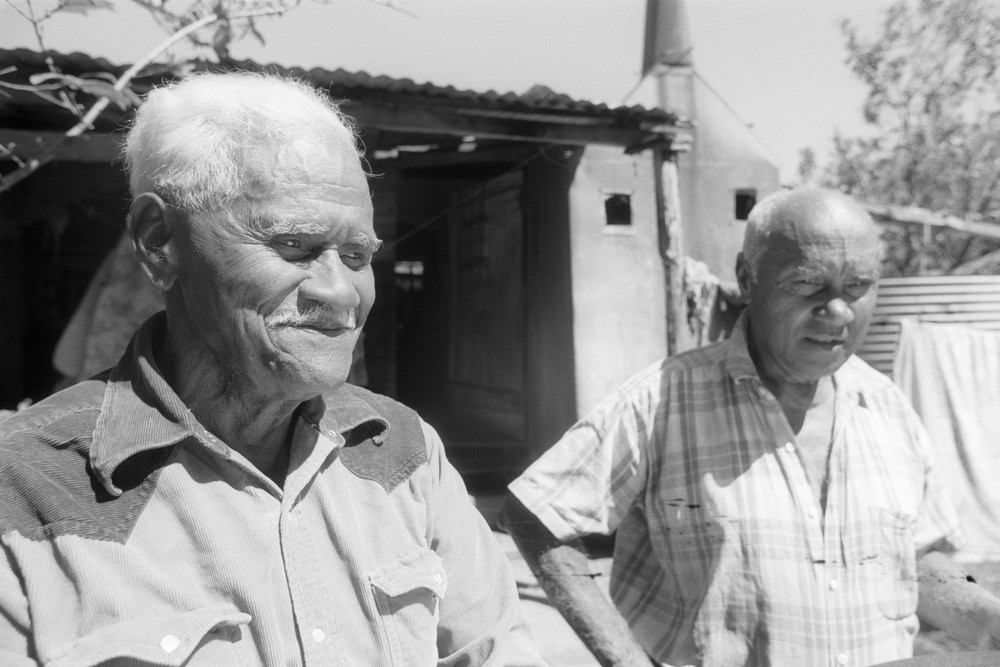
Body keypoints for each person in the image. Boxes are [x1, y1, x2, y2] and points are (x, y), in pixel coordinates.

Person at [0, 72, 544, 666]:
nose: (341, 292)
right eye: (295, 246)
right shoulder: (25, 489)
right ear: (161, 242)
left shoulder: (404, 453)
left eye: (358, 256)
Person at [502, 188, 1000, 666]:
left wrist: (986, 617)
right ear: (748, 277)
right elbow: (536, 514)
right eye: (808, 284)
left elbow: (917, 559)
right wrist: (624, 658)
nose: (839, 311)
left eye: (859, 287)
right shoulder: (662, 400)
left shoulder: (889, 408)